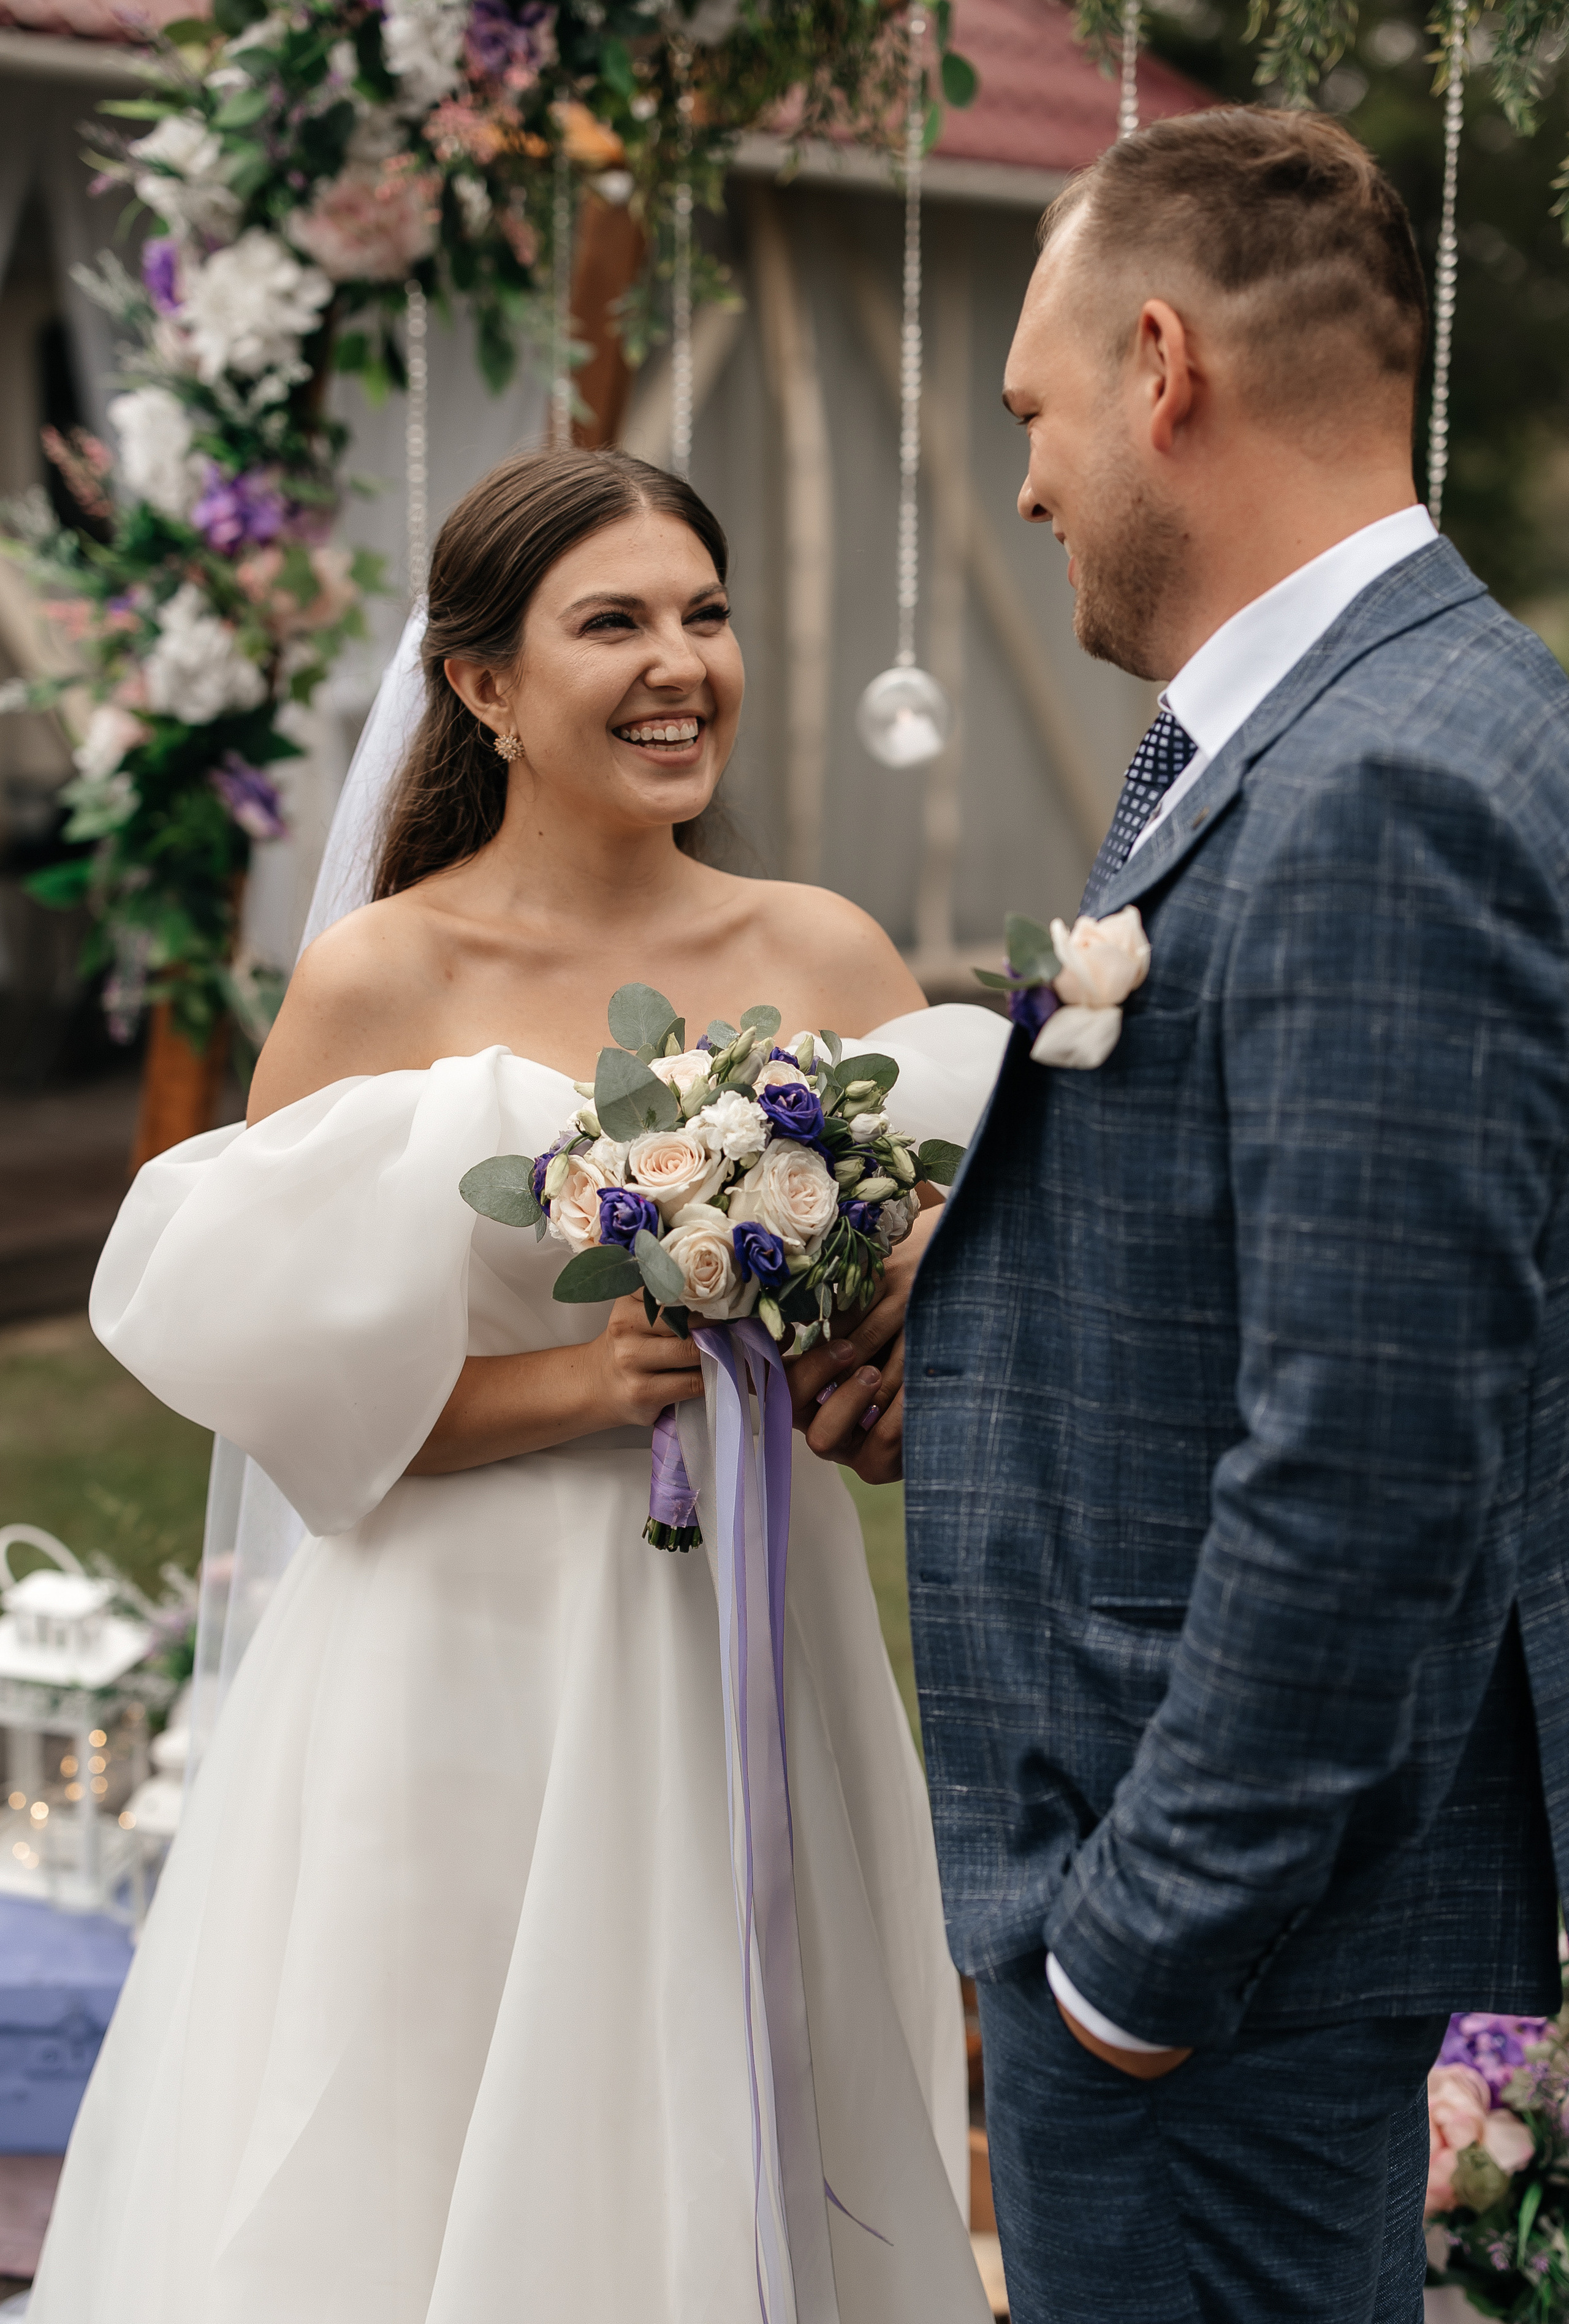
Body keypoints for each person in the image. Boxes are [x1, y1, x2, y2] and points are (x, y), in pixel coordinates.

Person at [29, 449, 1006, 2324]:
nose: (680, 664)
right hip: (458, 1669)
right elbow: (253, 1367)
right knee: (429, 2127)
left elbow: (928, 1319)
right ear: (482, 685)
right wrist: (568, 1389)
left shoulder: (820, 955)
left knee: (740, 2085)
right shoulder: (386, 975)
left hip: (750, 1640)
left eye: (706, 615)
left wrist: (879, 1389)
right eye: (615, 624)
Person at [878, 105, 1568, 2324]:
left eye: (1035, 407)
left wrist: (1128, 1969)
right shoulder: (1387, 716)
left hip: (1216, 1975)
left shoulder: (1380, 781)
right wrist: (974, 1338)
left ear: (1161, 364)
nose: (1026, 483)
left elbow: (1371, 1461)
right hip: (1224, 1946)